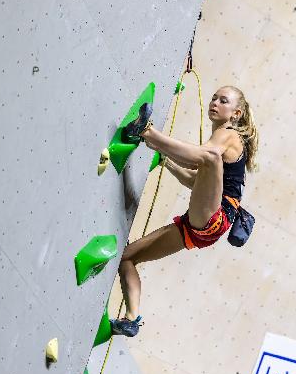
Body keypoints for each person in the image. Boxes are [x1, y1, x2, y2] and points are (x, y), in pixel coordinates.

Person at [110, 86, 259, 337]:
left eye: (223, 101)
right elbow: (194, 181)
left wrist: (153, 139)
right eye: (214, 98)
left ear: (236, 113)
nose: (214, 102)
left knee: (208, 157)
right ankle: (131, 318)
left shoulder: (230, 135)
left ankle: (145, 130)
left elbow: (200, 159)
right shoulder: (216, 144)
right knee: (126, 258)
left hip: (216, 218)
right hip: (197, 227)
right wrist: (165, 159)